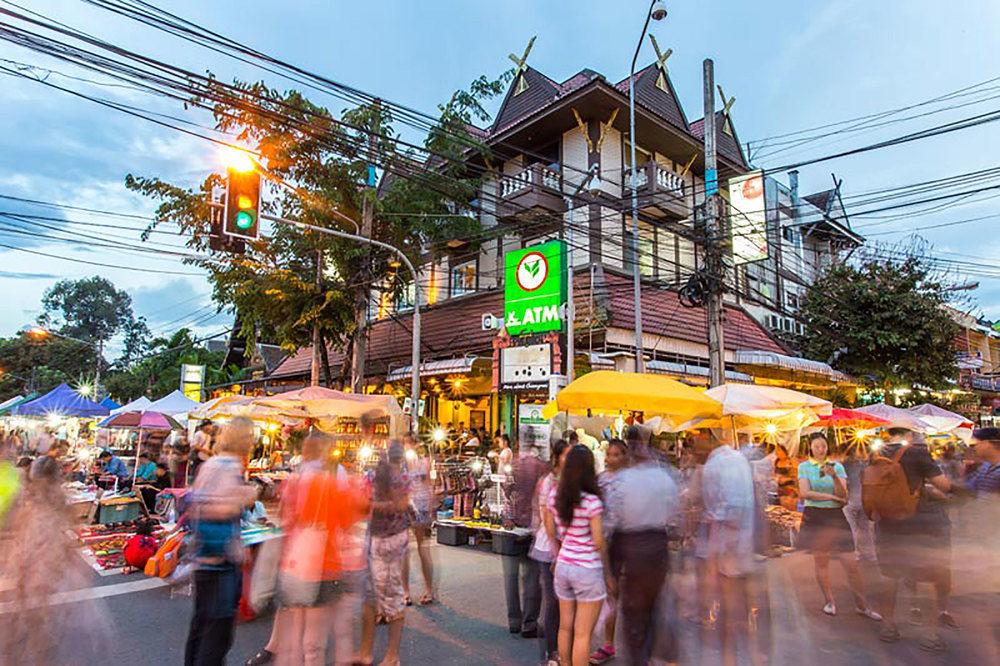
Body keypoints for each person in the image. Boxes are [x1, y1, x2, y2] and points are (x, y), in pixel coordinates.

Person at [274, 431, 354, 666]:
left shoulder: (296, 478)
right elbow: (346, 520)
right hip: (324, 562)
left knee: (296, 635)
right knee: (315, 641)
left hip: (296, 562)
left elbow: (284, 517)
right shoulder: (334, 478)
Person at [184, 416, 257, 666]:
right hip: (220, 560)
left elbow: (195, 504)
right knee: (217, 633)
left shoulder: (211, 464)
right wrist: (245, 497)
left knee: (202, 623)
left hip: (202, 557)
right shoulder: (230, 466)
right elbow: (221, 509)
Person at [874, 428, 955, 651]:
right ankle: (930, 635)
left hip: (886, 526)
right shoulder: (918, 453)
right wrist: (930, 489)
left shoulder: (876, 454)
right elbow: (944, 485)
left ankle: (888, 626)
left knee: (889, 577)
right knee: (930, 576)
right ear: (909, 435)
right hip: (918, 526)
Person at [797, 433, 881, 620]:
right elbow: (804, 493)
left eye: (823, 445)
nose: (820, 449)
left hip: (835, 517)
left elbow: (843, 496)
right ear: (810, 447)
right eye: (816, 445)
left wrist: (834, 477)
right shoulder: (804, 467)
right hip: (815, 517)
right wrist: (830, 497)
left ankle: (862, 605)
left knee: (851, 563)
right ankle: (829, 601)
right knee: (821, 561)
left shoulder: (838, 467)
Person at [544, 445, 613, 666]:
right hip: (587, 569)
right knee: (583, 635)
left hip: (564, 564)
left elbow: (551, 529)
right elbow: (599, 541)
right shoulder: (592, 501)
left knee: (565, 627)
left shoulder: (556, 495)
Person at [701, 434, 755, 666]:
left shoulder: (721, 462)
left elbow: (731, 508)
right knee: (735, 607)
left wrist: (718, 549)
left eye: (697, 439)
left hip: (731, 544)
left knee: (730, 609)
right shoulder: (737, 459)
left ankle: (731, 659)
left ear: (708, 436)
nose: (693, 445)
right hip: (738, 543)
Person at [356, 441, 411, 666]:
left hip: (391, 542)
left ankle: (392, 655)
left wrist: (378, 503)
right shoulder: (374, 476)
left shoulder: (400, 479)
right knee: (369, 597)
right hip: (375, 539)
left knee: (392, 597)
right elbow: (361, 502)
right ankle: (366, 651)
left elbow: (401, 506)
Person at [530, 438, 569, 666]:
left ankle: (560, 649)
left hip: (565, 547)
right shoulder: (549, 482)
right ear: (557, 457)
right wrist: (556, 550)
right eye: (567, 455)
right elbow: (546, 517)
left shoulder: (568, 481)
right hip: (549, 547)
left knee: (562, 601)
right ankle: (550, 651)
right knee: (553, 602)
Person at [589, 438, 629, 666]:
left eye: (616, 454)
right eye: (609, 454)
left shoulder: (630, 481)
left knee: (617, 593)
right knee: (609, 593)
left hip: (624, 540)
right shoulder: (601, 479)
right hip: (604, 541)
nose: (610, 458)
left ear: (625, 456)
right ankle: (608, 643)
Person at [503, 438, 548, 639]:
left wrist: (509, 516)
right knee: (531, 578)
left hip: (511, 525)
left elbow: (505, 490)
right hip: (532, 527)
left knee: (510, 577)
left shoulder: (511, 465)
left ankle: (514, 621)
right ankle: (529, 624)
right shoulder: (541, 467)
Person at [403, 439, 435, 606]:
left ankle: (429, 589)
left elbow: (429, 483)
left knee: (423, 549)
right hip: (405, 506)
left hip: (421, 507)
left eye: (410, 443)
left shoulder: (424, 462)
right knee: (404, 551)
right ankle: (405, 592)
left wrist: (431, 506)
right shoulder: (401, 463)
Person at [842, 445, 877, 562]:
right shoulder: (865, 465)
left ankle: (860, 553)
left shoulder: (845, 465)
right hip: (857, 502)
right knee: (861, 529)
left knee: (858, 529)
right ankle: (866, 554)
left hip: (855, 502)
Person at [965, 427, 1000, 496]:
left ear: (986, 444)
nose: (974, 448)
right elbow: (969, 490)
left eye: (976, 443)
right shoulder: (985, 466)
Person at [189, 419, 216, 483]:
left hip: (204, 457)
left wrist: (209, 451)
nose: (209, 427)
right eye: (207, 425)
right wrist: (205, 450)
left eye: (210, 425)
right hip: (198, 456)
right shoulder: (198, 434)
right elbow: (193, 445)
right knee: (196, 472)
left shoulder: (208, 436)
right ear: (203, 426)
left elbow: (206, 446)